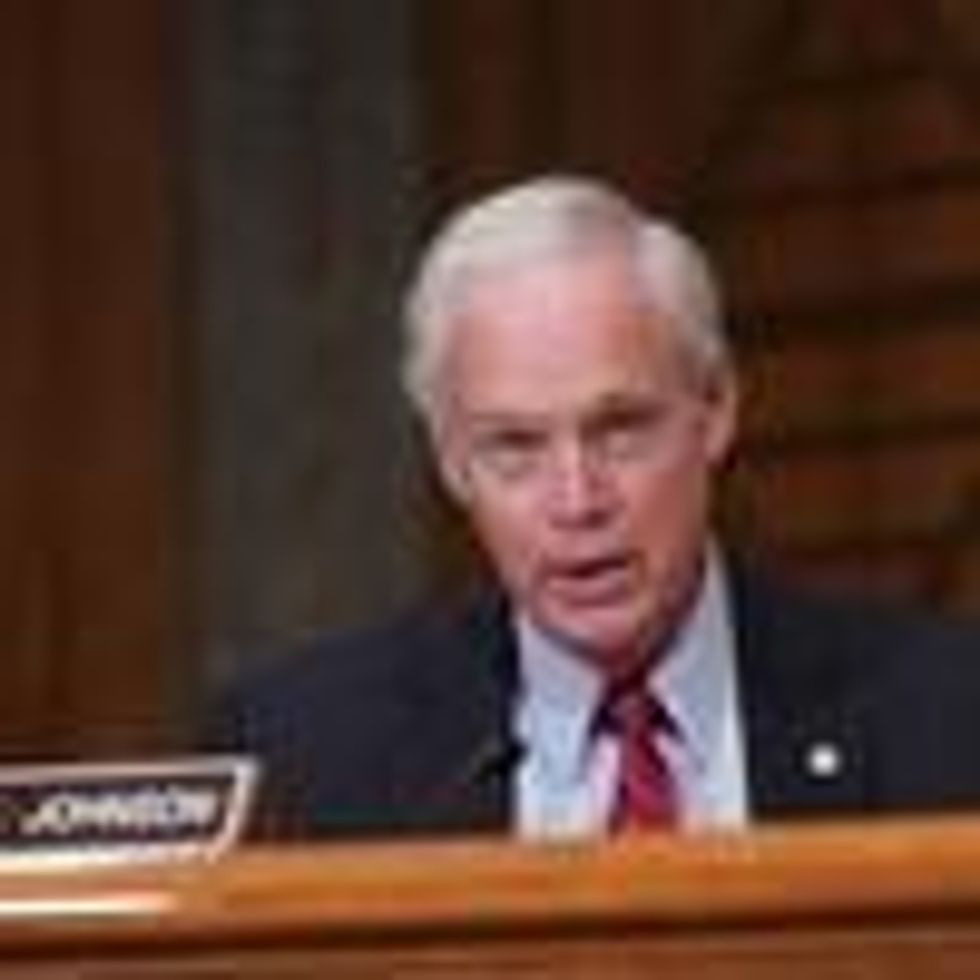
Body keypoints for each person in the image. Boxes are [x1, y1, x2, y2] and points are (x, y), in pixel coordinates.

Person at [201, 175, 980, 840]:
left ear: (715, 412)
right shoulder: (307, 750)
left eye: (621, 430)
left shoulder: (944, 714)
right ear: (451, 464)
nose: (576, 501)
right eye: (514, 447)